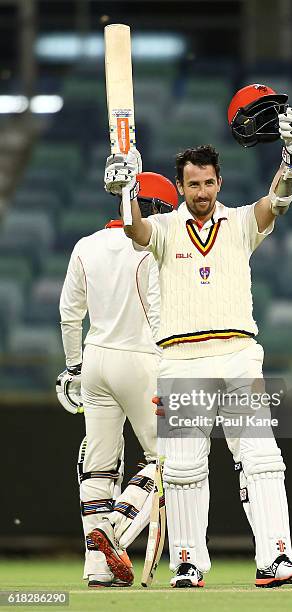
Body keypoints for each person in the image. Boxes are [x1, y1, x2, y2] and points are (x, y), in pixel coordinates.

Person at [100, 84, 292, 589]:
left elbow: (277, 202)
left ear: (220, 182)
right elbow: (134, 230)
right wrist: (125, 190)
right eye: (193, 184)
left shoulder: (240, 223)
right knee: (183, 471)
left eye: (209, 183)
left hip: (239, 357)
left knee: (261, 459)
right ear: (180, 186)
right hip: (183, 363)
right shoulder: (167, 229)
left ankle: (276, 559)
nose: (202, 192)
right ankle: (189, 563)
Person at [56, 171, 178, 588]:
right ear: (158, 208)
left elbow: (70, 314)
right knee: (171, 458)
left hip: (95, 360)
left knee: (99, 467)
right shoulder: (155, 248)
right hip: (142, 358)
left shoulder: (86, 245)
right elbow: (161, 315)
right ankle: (115, 530)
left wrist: (74, 366)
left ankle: (96, 568)